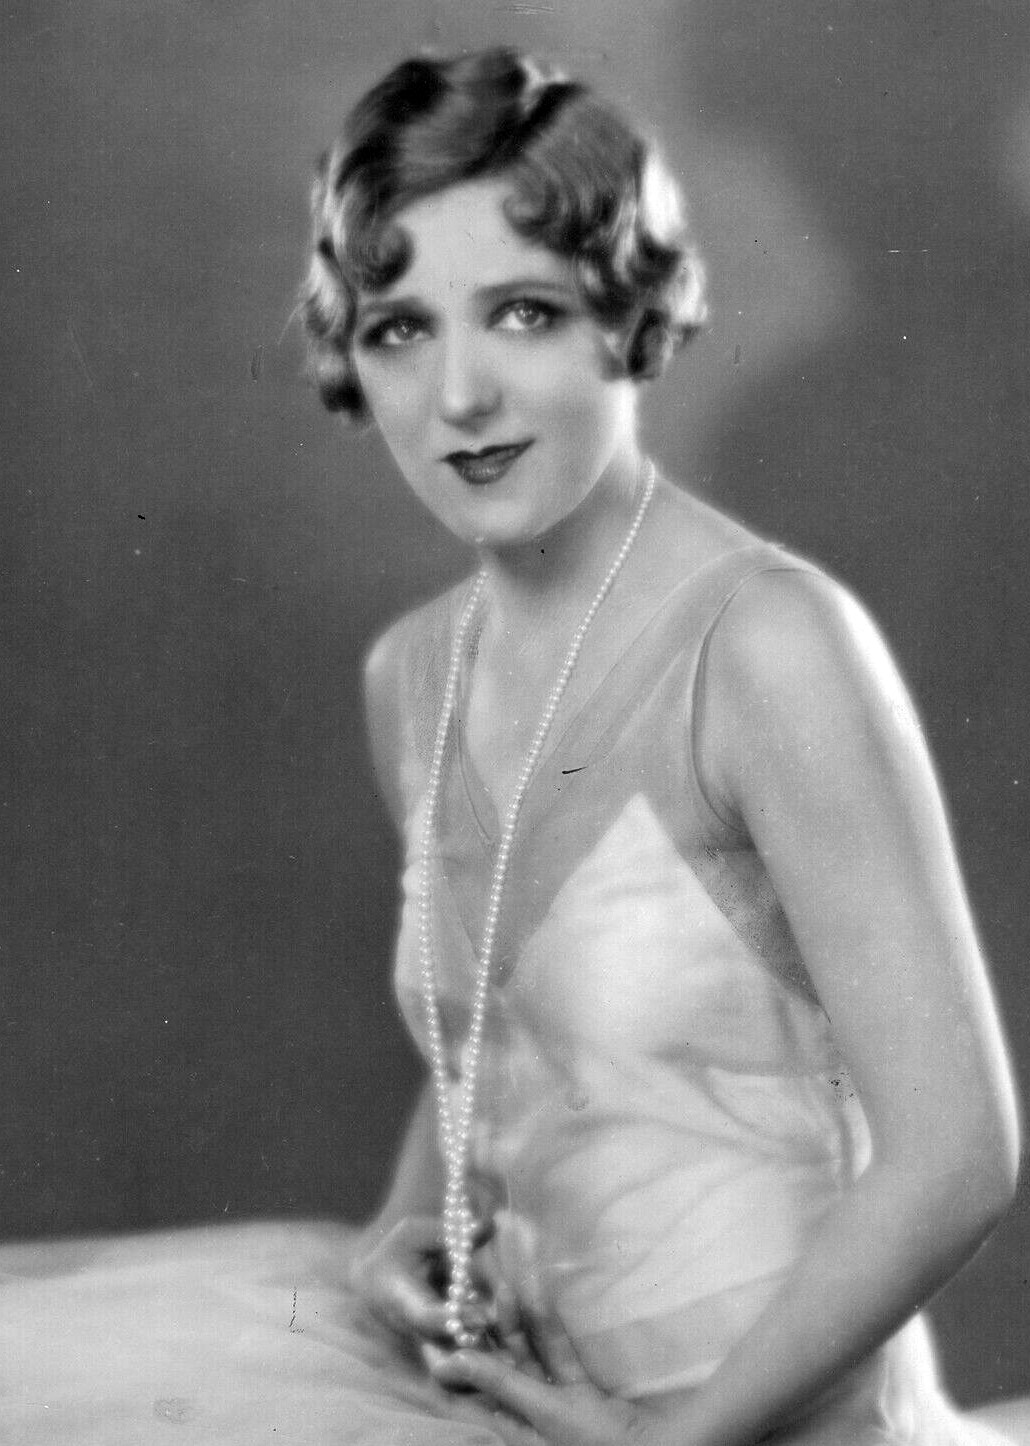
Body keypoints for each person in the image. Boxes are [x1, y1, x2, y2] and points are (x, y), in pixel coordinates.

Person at [1, 44, 1026, 1446]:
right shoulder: (412, 675)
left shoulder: (768, 642)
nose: (459, 396)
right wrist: (404, 1224)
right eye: (399, 329)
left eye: (523, 313)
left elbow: (959, 1156)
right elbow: (496, 1045)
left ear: (624, 315)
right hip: (519, 1408)